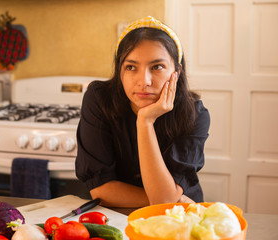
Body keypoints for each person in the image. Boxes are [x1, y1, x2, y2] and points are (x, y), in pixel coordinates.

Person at [75, 16, 210, 208]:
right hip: (121, 216)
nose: (144, 81)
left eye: (157, 67)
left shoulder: (194, 114)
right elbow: (101, 189)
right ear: (119, 70)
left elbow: (164, 204)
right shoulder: (99, 99)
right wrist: (172, 199)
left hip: (177, 219)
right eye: (131, 67)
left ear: (176, 72)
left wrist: (145, 122)